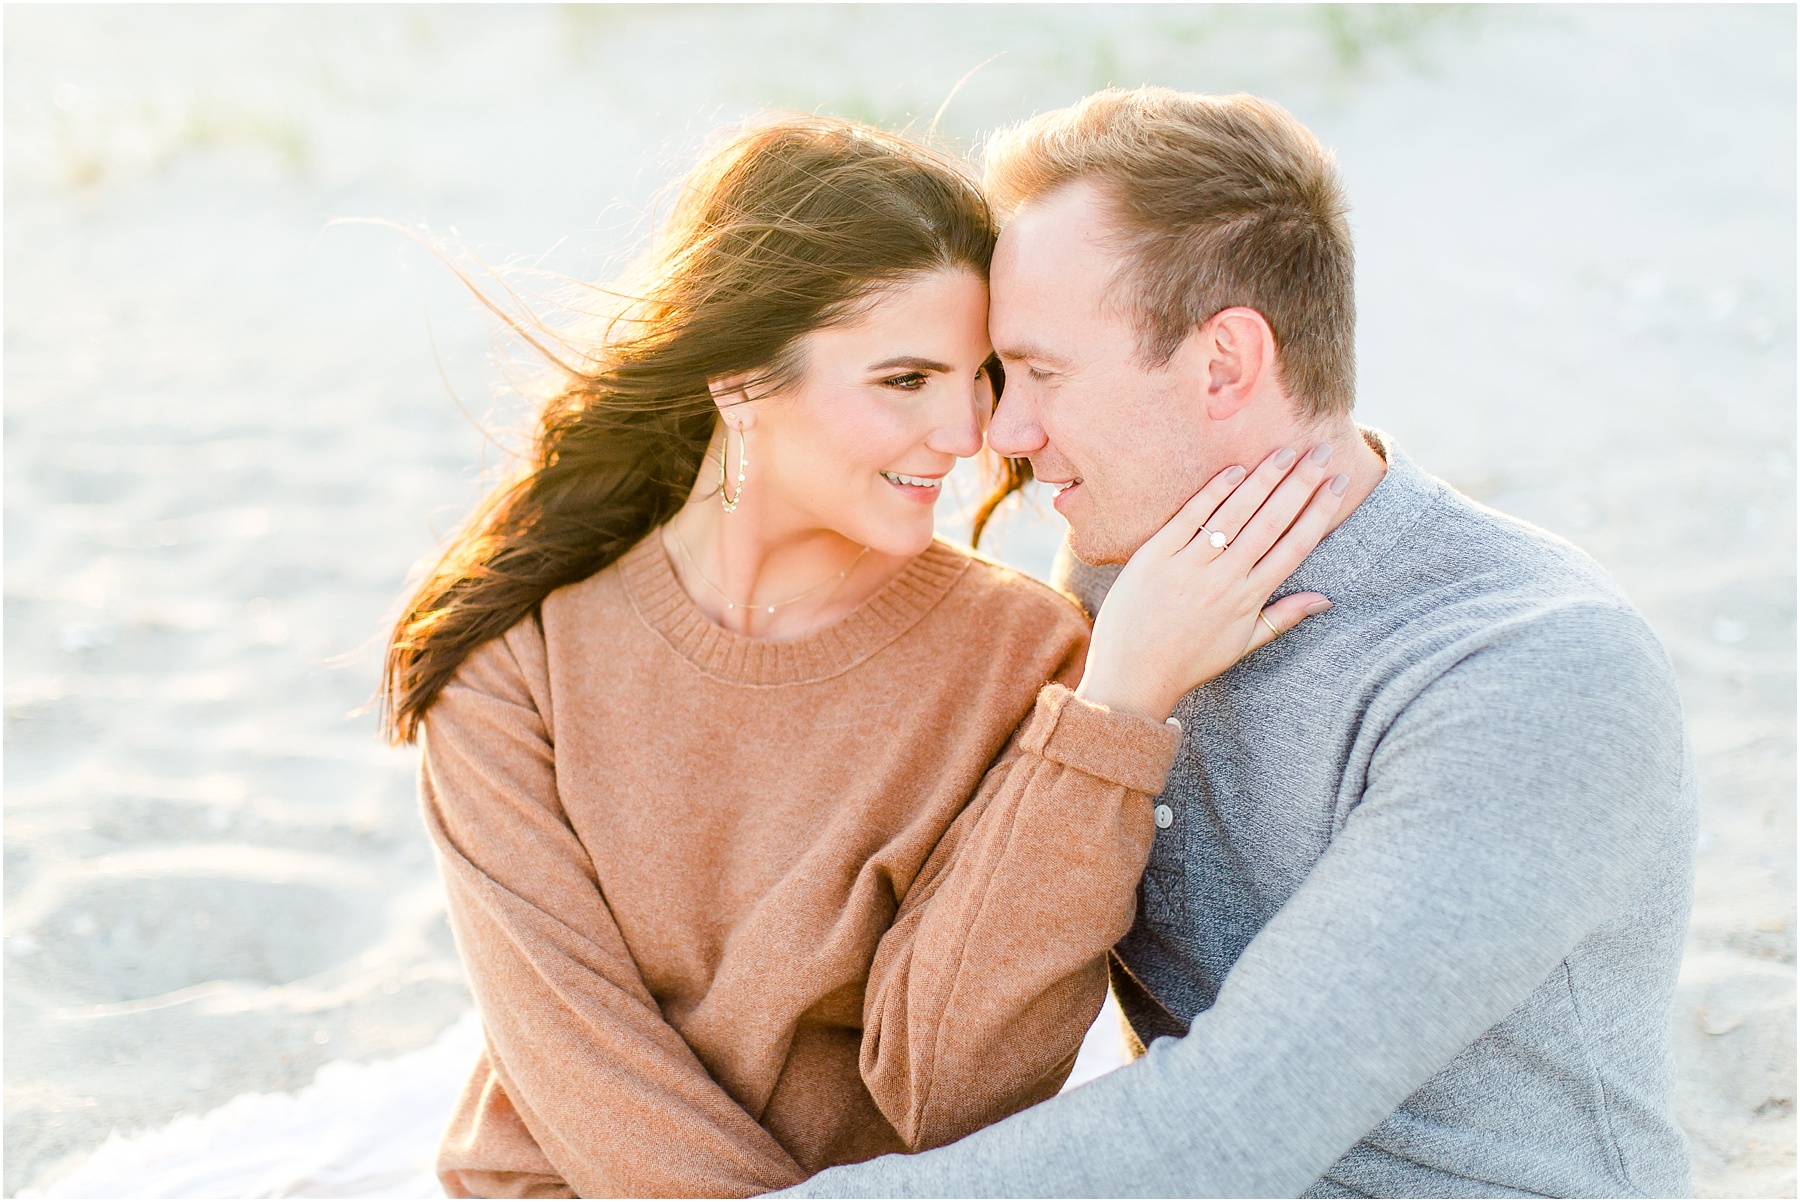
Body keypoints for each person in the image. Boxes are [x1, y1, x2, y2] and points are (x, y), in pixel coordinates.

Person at [380, 115, 1346, 1198]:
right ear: (742, 376)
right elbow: (581, 1069)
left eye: (980, 375)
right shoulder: (516, 662)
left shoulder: (1030, 657)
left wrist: (1112, 716)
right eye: (904, 381)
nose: (968, 432)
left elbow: (952, 1094)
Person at [781, 89, 1698, 1199]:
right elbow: (957, 1067)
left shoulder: (1531, 668)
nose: (1003, 435)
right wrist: (1109, 711)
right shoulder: (1129, 588)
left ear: (1224, 362)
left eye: (1044, 372)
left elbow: (1232, 1127)